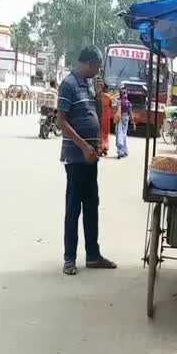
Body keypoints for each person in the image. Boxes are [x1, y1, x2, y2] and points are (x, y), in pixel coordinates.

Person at [57, 47, 117, 274]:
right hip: (76, 157)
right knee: (74, 208)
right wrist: (83, 146)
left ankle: (93, 255)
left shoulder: (89, 86)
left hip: (91, 158)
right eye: (97, 67)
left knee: (92, 207)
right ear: (90, 63)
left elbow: (95, 118)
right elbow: (61, 121)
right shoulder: (69, 84)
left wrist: (99, 97)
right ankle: (69, 258)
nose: (98, 72)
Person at [96, 81, 113, 156]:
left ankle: (101, 148)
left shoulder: (97, 96)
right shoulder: (108, 97)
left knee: (101, 133)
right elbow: (110, 106)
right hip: (106, 117)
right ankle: (105, 148)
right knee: (105, 133)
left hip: (101, 117)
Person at [115, 88, 132, 159]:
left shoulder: (119, 102)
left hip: (120, 117)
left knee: (119, 133)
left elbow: (117, 110)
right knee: (124, 134)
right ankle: (125, 151)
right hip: (126, 117)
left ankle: (120, 150)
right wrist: (133, 122)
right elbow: (130, 113)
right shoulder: (128, 102)